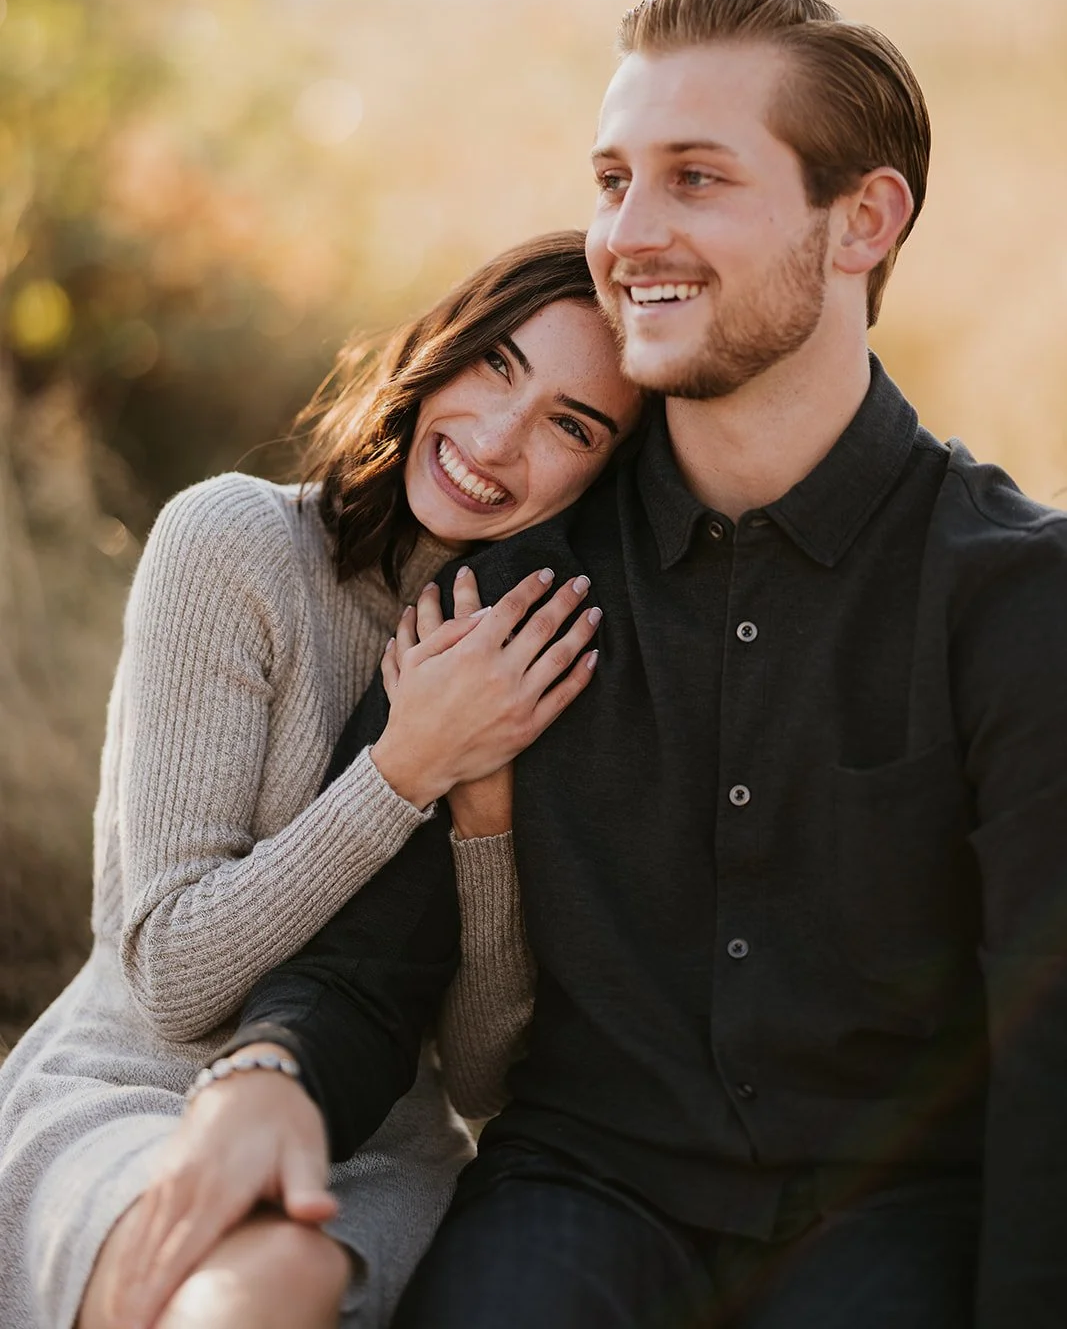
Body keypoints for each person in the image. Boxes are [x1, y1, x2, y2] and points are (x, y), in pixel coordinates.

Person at [100, 0, 1067, 1329]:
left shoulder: (1016, 594)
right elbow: (369, 971)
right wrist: (265, 1075)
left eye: (692, 179)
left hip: (889, 1218)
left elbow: (1047, 1047)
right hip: (578, 1198)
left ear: (860, 221)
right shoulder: (509, 582)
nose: (628, 232)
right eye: (612, 178)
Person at [0, 231, 643, 1329]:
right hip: (136, 1089)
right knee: (250, 1290)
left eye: (569, 425)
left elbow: (484, 1075)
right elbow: (171, 971)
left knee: (294, 1276)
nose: (495, 439)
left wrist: (484, 808)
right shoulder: (236, 544)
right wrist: (403, 770)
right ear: (439, 349)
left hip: (375, 1149)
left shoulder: (538, 658)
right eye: (496, 363)